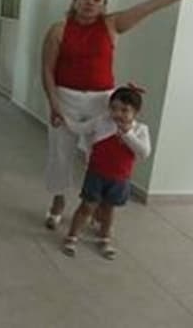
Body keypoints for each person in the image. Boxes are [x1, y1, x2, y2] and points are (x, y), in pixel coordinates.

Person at [41, 0, 193, 230]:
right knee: (60, 153)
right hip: (66, 99)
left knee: (101, 156)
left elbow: (154, 4)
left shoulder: (112, 24)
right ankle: (58, 201)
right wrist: (54, 103)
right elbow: (47, 69)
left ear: (104, 5)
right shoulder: (58, 30)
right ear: (74, 0)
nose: (90, 2)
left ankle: (94, 203)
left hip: (103, 102)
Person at [61, 86, 151, 259]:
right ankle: (72, 236)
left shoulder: (140, 130)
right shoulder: (102, 121)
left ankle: (105, 238)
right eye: (114, 108)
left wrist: (127, 134)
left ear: (136, 112)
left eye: (125, 110)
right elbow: (81, 128)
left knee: (108, 210)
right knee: (87, 206)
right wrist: (65, 120)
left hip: (120, 179)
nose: (118, 114)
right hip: (96, 174)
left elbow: (144, 152)